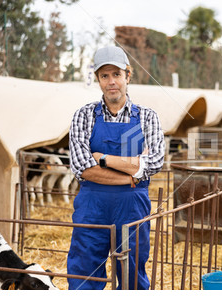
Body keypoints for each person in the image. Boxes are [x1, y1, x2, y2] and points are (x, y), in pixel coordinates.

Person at [67, 46, 165, 290]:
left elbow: (154, 162)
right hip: (92, 205)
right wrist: (132, 174)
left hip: (132, 207)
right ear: (98, 80)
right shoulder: (83, 116)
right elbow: (82, 167)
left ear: (128, 76)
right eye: (104, 76)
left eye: (117, 75)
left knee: (132, 274)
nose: (111, 82)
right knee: (84, 275)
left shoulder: (147, 117)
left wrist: (103, 158)